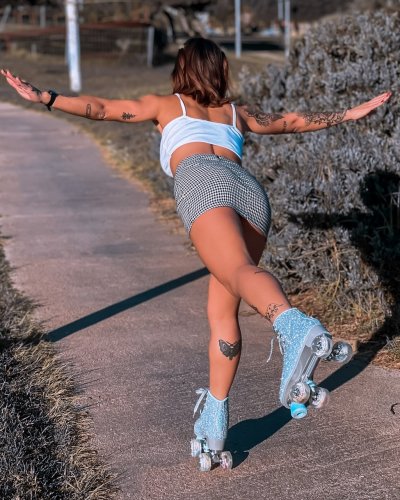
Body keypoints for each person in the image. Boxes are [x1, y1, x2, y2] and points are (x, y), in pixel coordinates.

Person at [1, 37, 391, 471]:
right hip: (249, 194)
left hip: (203, 183)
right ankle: (215, 416)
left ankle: (292, 325)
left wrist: (46, 97)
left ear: (182, 70)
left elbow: (102, 108)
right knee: (222, 309)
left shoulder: (167, 105)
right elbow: (292, 122)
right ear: (220, 71)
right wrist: (347, 113)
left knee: (238, 272)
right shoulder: (236, 113)